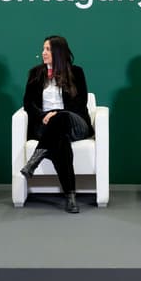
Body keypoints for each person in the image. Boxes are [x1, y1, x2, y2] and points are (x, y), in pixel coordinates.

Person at [21, 36, 93, 214]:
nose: (43, 53)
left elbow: (81, 103)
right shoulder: (35, 73)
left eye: (47, 49)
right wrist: (43, 115)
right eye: (43, 49)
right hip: (45, 125)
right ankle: (70, 196)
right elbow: (28, 103)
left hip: (74, 122)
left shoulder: (76, 72)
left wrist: (57, 113)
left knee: (60, 118)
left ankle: (36, 157)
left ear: (58, 52)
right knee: (60, 142)